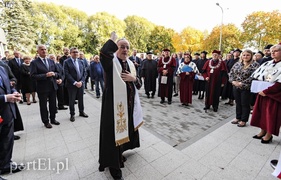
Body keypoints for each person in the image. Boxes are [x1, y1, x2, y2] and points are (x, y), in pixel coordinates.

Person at [99, 32, 143, 180]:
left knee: (124, 131)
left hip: (128, 106)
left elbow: (139, 84)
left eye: (127, 47)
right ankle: (114, 166)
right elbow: (104, 53)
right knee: (112, 135)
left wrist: (133, 78)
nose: (125, 50)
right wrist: (111, 40)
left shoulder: (131, 64)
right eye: (121, 47)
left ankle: (120, 154)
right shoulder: (111, 62)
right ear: (116, 49)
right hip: (113, 107)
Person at [250, 43, 281, 144]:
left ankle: (269, 134)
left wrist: (266, 91)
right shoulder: (267, 63)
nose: (272, 53)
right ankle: (262, 131)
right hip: (262, 92)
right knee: (261, 113)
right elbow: (257, 75)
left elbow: (279, 83)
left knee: (270, 115)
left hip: (273, 95)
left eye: (275, 51)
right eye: (272, 51)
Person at [0, 66, 24, 178]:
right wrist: (5, 97)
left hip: (7, 112)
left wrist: (14, 93)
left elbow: (9, 85)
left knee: (7, 141)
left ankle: (5, 165)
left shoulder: (2, 67)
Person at [30, 45, 60, 128]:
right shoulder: (34, 63)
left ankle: (53, 119)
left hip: (52, 86)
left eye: (45, 49)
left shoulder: (51, 61)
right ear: (38, 51)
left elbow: (57, 72)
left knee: (53, 104)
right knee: (43, 106)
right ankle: (46, 121)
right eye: (42, 49)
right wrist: (45, 75)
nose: (44, 51)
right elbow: (33, 76)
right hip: (42, 87)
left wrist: (55, 75)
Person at [228, 49, 259, 127]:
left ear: (251, 56)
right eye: (244, 55)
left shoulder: (255, 65)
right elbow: (231, 74)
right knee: (238, 103)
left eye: (248, 55)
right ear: (241, 55)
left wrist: (242, 83)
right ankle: (238, 117)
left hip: (246, 87)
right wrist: (233, 81)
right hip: (235, 86)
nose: (245, 56)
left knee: (245, 104)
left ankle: (244, 120)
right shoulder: (237, 64)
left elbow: (254, 76)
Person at [63, 47, 88, 122]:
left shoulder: (81, 61)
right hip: (72, 85)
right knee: (72, 100)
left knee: (81, 99)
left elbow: (84, 73)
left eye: (77, 52)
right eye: (74, 52)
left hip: (81, 84)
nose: (76, 53)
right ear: (70, 53)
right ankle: (72, 114)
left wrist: (81, 81)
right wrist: (75, 82)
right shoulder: (66, 62)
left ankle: (81, 112)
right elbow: (66, 74)